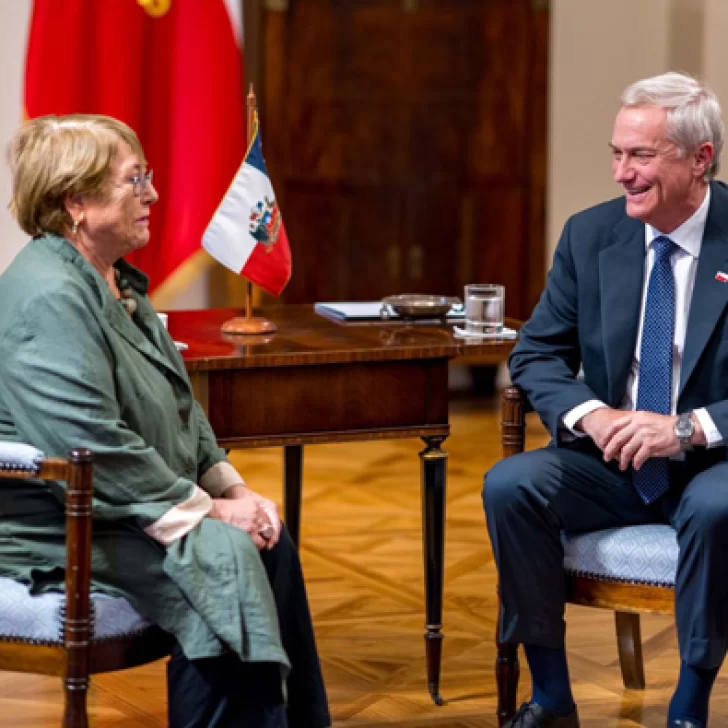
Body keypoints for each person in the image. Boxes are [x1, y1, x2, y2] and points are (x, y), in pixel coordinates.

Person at [0, 114, 330, 728]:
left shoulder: (115, 280)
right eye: (134, 180)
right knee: (225, 560)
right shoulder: (48, 293)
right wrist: (207, 512)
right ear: (76, 202)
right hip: (58, 523)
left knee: (270, 537)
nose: (152, 194)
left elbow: (181, 402)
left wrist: (233, 489)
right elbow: (88, 441)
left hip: (120, 508)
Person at [484, 71, 728, 728]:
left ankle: (689, 704)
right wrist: (594, 416)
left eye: (641, 155)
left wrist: (687, 429)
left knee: (716, 509)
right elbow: (536, 354)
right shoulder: (591, 235)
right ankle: (551, 699)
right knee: (512, 486)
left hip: (715, 462)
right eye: (617, 154)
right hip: (614, 461)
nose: (622, 173)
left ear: (700, 158)